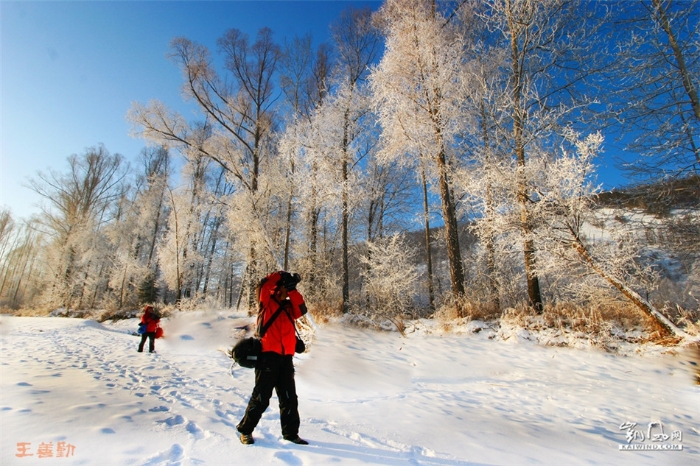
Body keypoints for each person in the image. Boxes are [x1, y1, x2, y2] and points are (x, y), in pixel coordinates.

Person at [237, 271, 309, 446]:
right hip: (267, 357)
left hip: (286, 359)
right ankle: (245, 431)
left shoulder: (289, 308)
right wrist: (280, 275)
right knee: (261, 397)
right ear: (278, 288)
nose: (288, 290)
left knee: (289, 399)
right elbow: (264, 286)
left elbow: (301, 309)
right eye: (286, 287)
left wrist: (292, 290)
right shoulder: (266, 303)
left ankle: (291, 434)